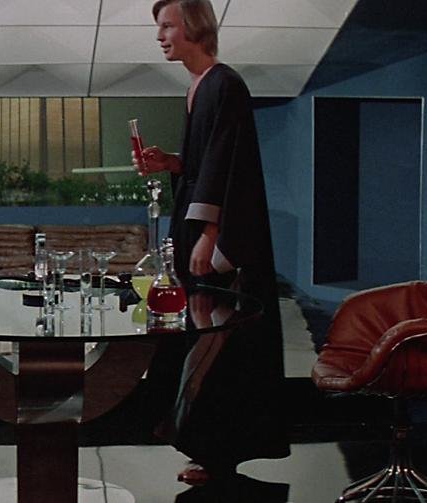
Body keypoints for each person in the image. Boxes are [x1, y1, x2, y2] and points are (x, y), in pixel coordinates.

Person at [132, 0, 289, 486]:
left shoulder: (225, 84)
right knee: (204, 339)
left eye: (167, 26)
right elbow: (204, 162)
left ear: (195, 26)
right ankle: (207, 448)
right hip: (199, 232)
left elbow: (230, 165)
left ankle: (219, 454)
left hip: (218, 240)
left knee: (220, 342)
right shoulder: (199, 87)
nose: (160, 36)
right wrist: (172, 163)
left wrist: (211, 234)